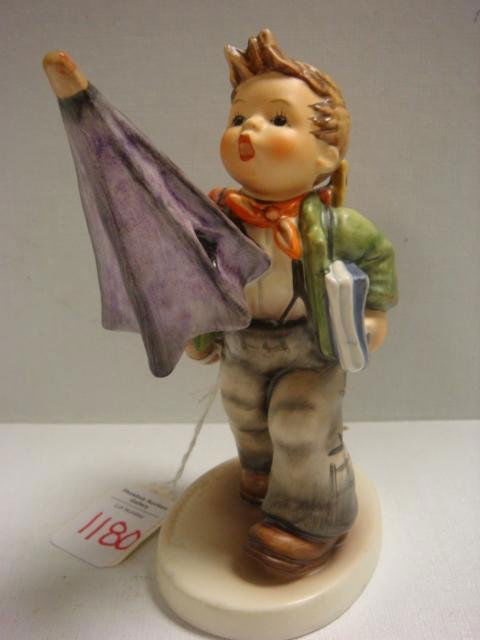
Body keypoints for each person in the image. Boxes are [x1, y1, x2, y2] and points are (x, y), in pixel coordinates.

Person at [186, 29, 398, 578]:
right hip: (243, 340)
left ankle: (311, 518)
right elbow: (196, 276)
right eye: (239, 116)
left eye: (278, 119)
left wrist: (373, 314)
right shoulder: (219, 219)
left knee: (299, 419)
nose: (249, 128)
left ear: (327, 151)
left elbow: (377, 257)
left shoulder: (336, 225)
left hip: (310, 346)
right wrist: (199, 330)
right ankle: (263, 474)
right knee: (242, 406)